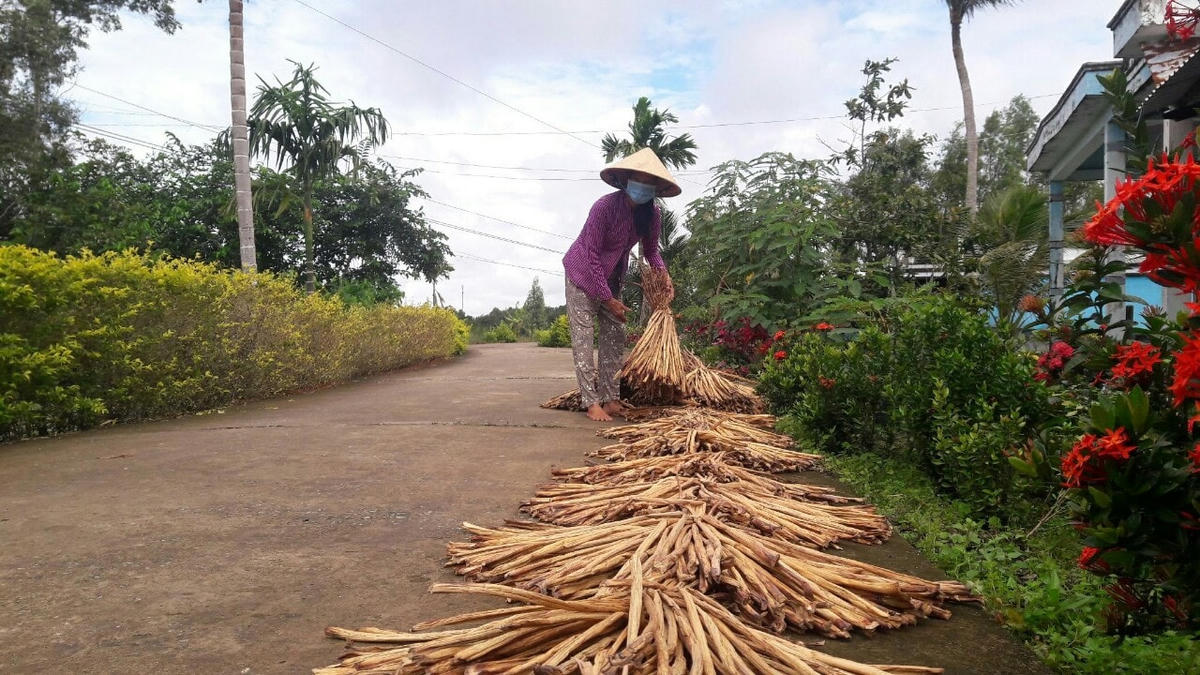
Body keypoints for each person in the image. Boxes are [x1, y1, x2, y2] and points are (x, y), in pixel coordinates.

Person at [561, 148, 680, 421]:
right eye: (639, 180)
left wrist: (664, 276)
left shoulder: (652, 216)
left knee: (615, 337)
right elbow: (591, 253)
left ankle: (611, 398)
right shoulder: (604, 207)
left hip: (612, 278)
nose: (643, 187)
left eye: (649, 183)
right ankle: (591, 403)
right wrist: (607, 299)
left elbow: (651, 252)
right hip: (581, 276)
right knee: (583, 339)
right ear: (626, 180)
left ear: (655, 189)